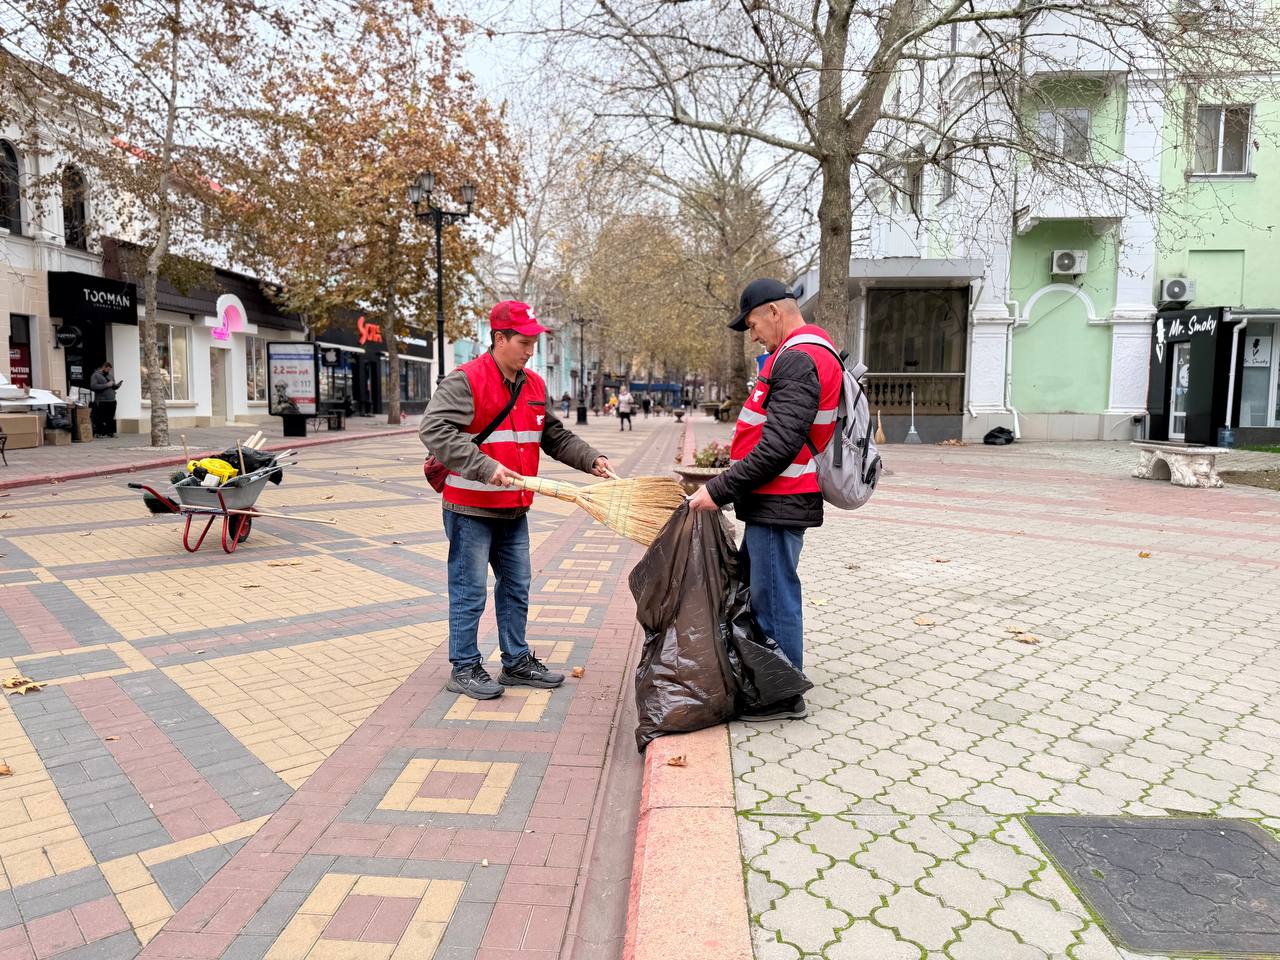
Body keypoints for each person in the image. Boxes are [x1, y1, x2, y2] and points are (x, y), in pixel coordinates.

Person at [420, 300, 614, 700]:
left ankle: (516, 662)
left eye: (534, 343)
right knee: (469, 588)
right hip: (470, 507)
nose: (530, 351)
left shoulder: (534, 386)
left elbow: (554, 436)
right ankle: (465, 666)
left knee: (516, 587)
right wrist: (483, 466)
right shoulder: (465, 380)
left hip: (514, 507)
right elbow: (434, 429)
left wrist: (591, 458)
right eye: (524, 343)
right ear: (499, 338)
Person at [686, 278, 843, 721]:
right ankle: (770, 679)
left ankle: (782, 694)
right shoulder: (802, 353)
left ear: (774, 312)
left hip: (782, 498)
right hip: (777, 499)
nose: (753, 334)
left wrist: (717, 490)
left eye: (753, 324)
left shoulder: (799, 358)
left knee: (774, 595)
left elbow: (778, 447)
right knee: (767, 591)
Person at [89, 361, 121, 438]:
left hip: (112, 400)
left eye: (110, 370)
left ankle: (110, 432)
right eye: (107, 369)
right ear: (103, 367)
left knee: (110, 417)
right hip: (101, 400)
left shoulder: (110, 376)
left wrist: (116, 386)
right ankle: (99, 433)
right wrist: (106, 385)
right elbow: (93, 386)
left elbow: (112, 386)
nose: (108, 371)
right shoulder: (95, 375)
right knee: (100, 417)